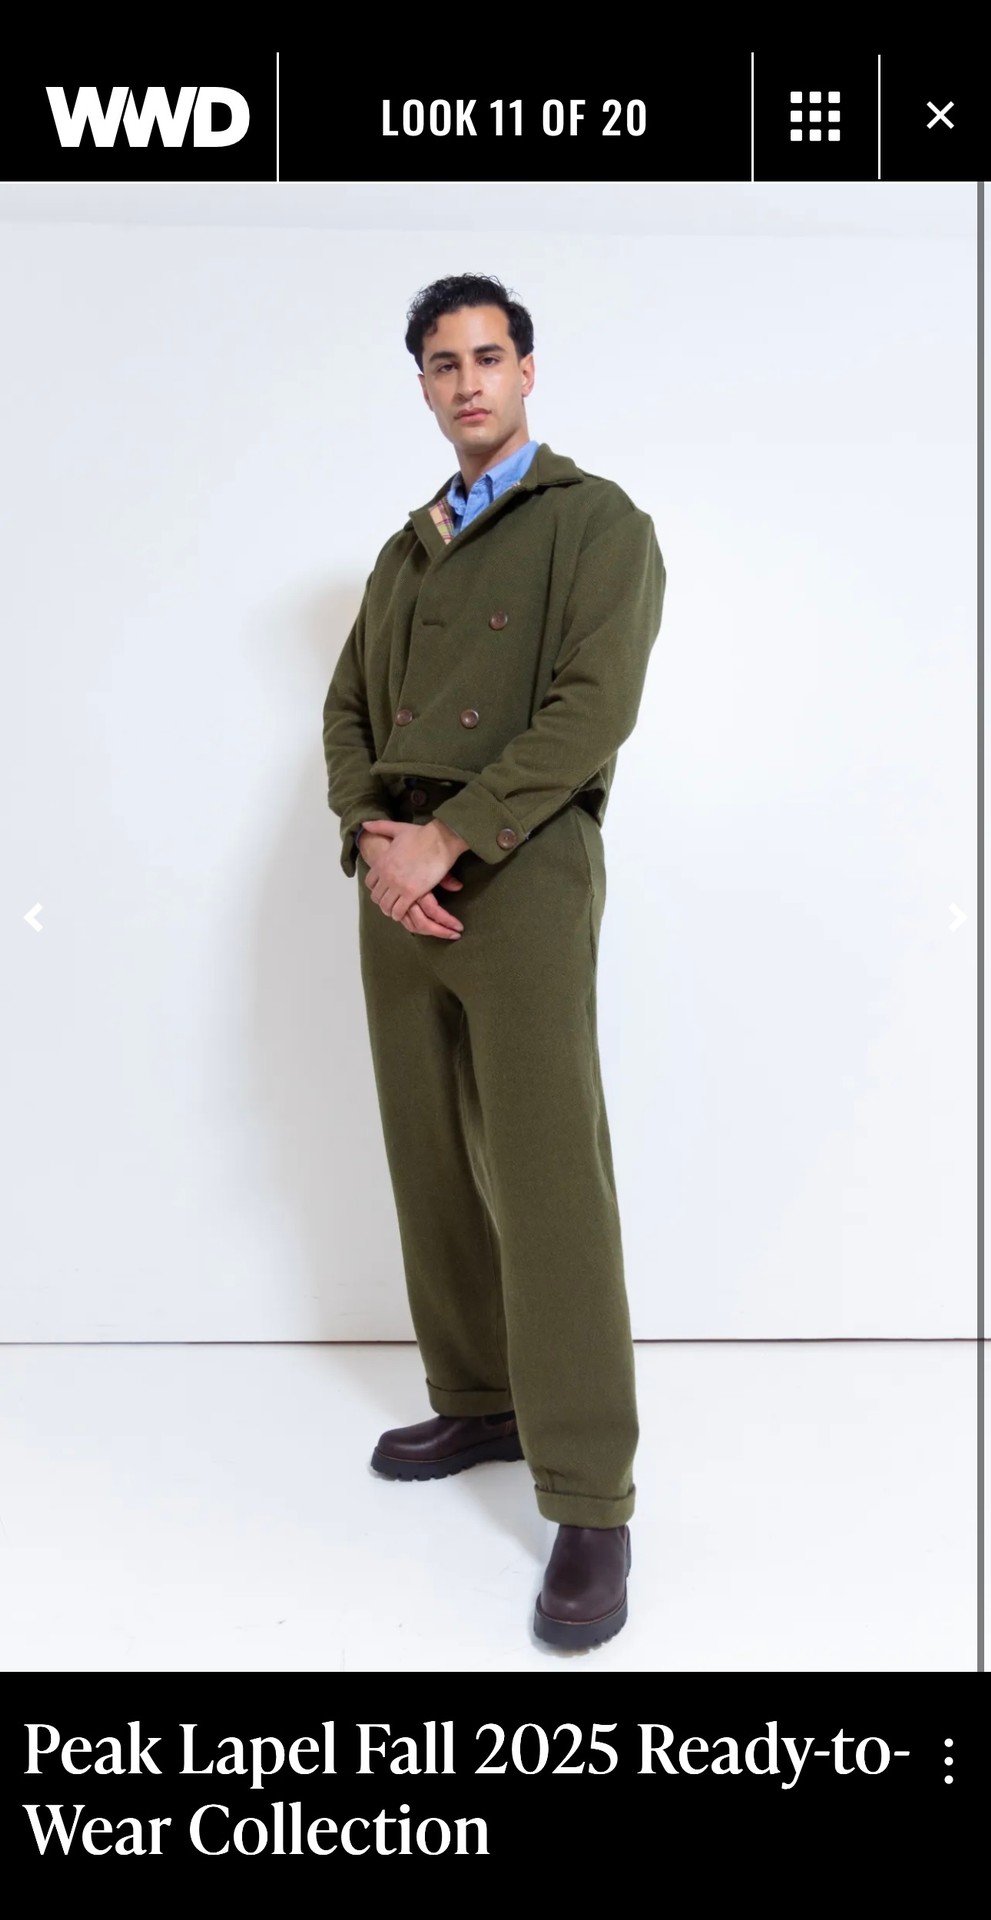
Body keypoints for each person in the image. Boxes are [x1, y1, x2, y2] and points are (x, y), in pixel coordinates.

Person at [322, 273, 665, 1649]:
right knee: (428, 1155)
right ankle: (479, 1400)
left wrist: (450, 836)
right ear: (423, 386)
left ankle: (590, 1498)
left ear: (527, 371)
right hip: (395, 879)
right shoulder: (406, 549)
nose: (468, 382)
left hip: (516, 870)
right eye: (443, 364)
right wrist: (371, 835)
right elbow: (348, 709)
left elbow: (594, 708)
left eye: (489, 357)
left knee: (547, 1176)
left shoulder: (597, 522)